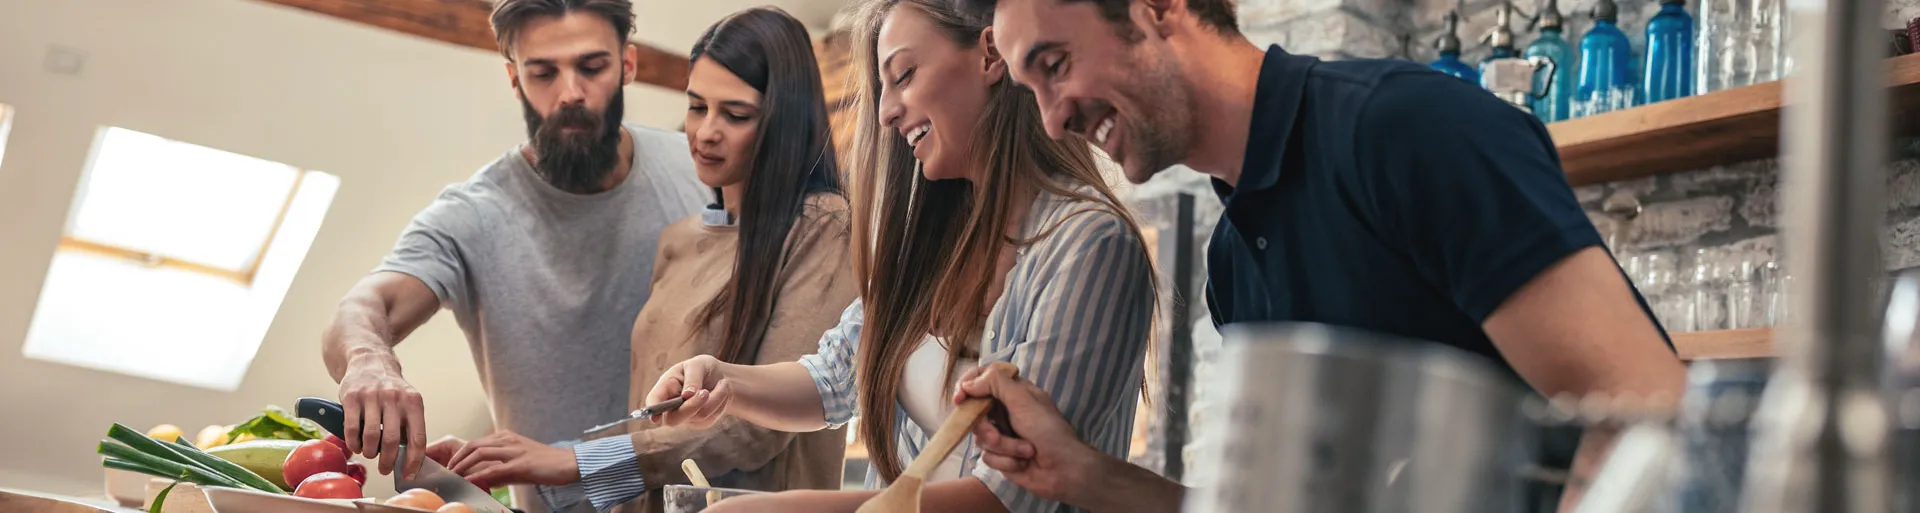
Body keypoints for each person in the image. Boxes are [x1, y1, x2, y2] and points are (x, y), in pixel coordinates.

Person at [952, 0, 1689, 510]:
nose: (1053, 119)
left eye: (1055, 64)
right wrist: (1083, 474)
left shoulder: (1405, 130)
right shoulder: (1233, 263)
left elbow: (1647, 418)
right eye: (1031, 89)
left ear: (1158, 7)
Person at [641, 1, 1159, 512]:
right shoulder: (933, 242)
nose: (886, 112)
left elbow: (1013, 498)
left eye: (904, 75)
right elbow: (833, 378)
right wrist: (724, 380)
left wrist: (781, 510)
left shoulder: (1090, 246)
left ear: (990, 55)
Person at [437, 8, 858, 512]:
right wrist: (526, 460)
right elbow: (652, 423)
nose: (705, 131)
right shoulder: (680, 239)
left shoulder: (825, 228)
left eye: (735, 114)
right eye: (697, 107)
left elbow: (757, 427)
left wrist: (574, 462)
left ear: (784, 121)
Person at [317, 0, 705, 510]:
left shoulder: (700, 170)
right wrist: (369, 361)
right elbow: (367, 303)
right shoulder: (474, 213)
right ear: (515, 79)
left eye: (592, 67)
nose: (571, 93)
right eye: (543, 73)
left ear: (627, 64)